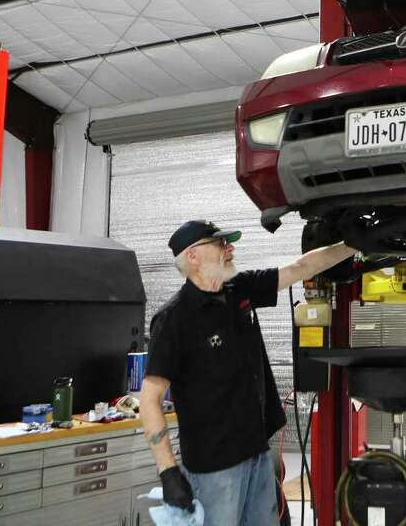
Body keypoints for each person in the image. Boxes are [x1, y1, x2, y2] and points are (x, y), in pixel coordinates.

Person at [140, 219, 356, 525]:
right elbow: (149, 400)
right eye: (220, 244)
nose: (230, 249)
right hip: (214, 468)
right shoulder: (173, 319)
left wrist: (356, 244)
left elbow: (301, 268)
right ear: (192, 256)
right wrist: (168, 471)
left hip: (256, 454)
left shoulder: (239, 289)